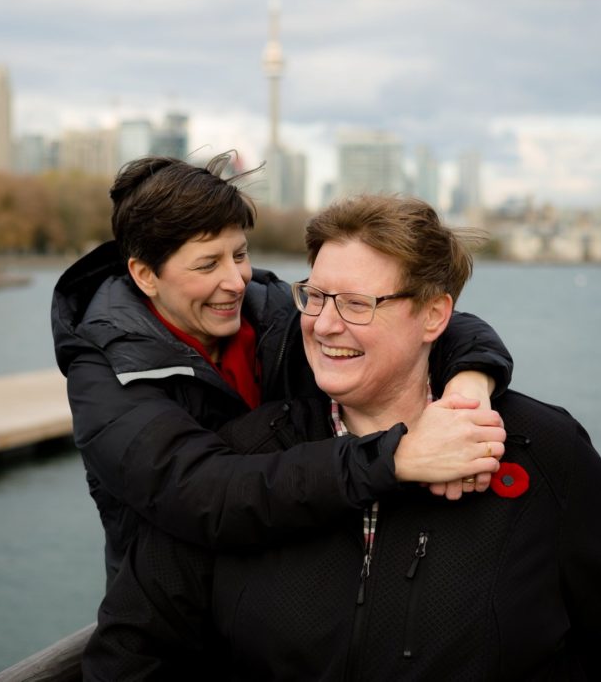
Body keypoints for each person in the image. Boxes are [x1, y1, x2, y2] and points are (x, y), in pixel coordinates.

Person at [87, 194, 601, 680]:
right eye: (314, 296)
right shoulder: (244, 457)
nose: (324, 323)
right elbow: (132, 655)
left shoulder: (543, 450)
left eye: (358, 304)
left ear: (434, 317)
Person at [51, 153, 511, 590]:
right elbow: (207, 495)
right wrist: (394, 458)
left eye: (239, 254)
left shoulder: (268, 312)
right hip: (173, 613)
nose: (235, 280)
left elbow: (424, 326)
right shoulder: (106, 374)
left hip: (281, 597)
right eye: (208, 264)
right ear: (145, 275)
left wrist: (466, 392)